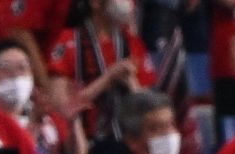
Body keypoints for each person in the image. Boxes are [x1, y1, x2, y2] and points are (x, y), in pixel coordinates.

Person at [46, 0, 154, 140]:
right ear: (95, 2)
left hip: (125, 143)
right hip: (82, 143)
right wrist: (108, 78)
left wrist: (132, 85)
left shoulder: (133, 43)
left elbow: (149, 109)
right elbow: (59, 105)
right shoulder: (68, 41)